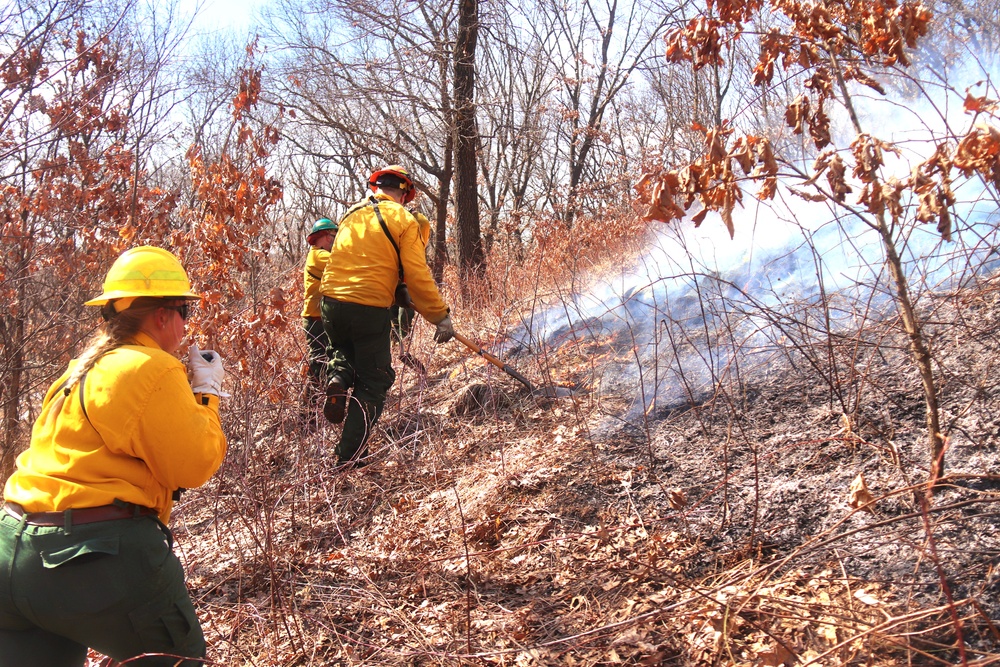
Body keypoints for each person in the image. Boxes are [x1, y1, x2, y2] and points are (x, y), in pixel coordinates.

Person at [0, 246, 228, 667]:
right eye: (184, 312)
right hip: (91, 555)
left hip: (12, 553)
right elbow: (195, 464)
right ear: (161, 315)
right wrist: (208, 394)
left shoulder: (79, 369)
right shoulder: (150, 367)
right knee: (178, 660)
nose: (184, 326)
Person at [319, 165, 454, 465]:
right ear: (404, 193)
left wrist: (396, 292)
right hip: (367, 307)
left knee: (342, 351)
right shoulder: (404, 219)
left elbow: (362, 262)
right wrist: (440, 315)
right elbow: (417, 274)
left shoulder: (351, 214)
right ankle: (349, 458)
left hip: (329, 303)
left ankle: (338, 378)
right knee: (374, 380)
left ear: (376, 187)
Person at [301, 217, 338, 415]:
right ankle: (307, 414)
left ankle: (319, 408)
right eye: (333, 236)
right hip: (315, 321)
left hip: (322, 319)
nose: (335, 240)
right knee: (319, 365)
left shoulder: (320, 255)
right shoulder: (318, 256)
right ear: (323, 236)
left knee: (326, 363)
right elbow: (342, 263)